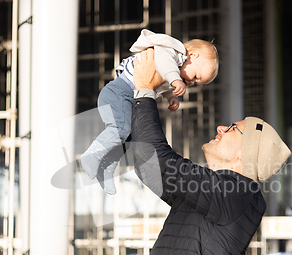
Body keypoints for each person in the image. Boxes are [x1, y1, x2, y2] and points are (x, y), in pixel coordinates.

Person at [131, 48, 291, 255]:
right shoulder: (215, 194)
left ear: (246, 154)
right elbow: (150, 167)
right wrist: (129, 102)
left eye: (231, 128)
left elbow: (160, 162)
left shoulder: (238, 194)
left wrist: (145, 91)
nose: (220, 127)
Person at [81, 29, 219, 194]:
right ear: (193, 56)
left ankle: (106, 168)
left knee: (127, 137)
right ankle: (91, 155)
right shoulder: (172, 50)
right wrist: (175, 80)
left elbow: (162, 81)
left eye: (197, 82)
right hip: (118, 91)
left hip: (127, 98)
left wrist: (170, 97)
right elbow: (164, 64)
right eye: (196, 76)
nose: (192, 82)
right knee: (121, 129)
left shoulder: (173, 70)